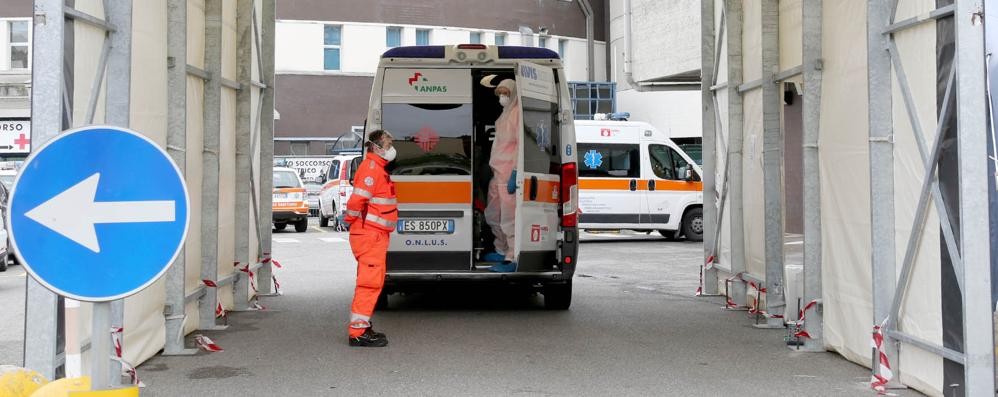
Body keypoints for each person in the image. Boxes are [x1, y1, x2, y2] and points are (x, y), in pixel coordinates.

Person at [344, 130, 398, 347]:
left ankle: (362, 326)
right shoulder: (372, 169)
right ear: (376, 147)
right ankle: (358, 332)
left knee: (371, 281)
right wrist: (352, 220)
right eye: (388, 143)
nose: (392, 147)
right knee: (369, 283)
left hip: (372, 234)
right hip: (370, 235)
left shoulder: (376, 168)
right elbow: (356, 202)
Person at [483, 79, 520, 272]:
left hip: (508, 173)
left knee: (509, 216)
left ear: (513, 94)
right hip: (498, 171)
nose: (502, 97)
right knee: (493, 212)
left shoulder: (517, 114)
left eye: (505, 93)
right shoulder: (505, 114)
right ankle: (500, 248)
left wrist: (515, 171)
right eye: (499, 94)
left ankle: (512, 256)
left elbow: (521, 146)